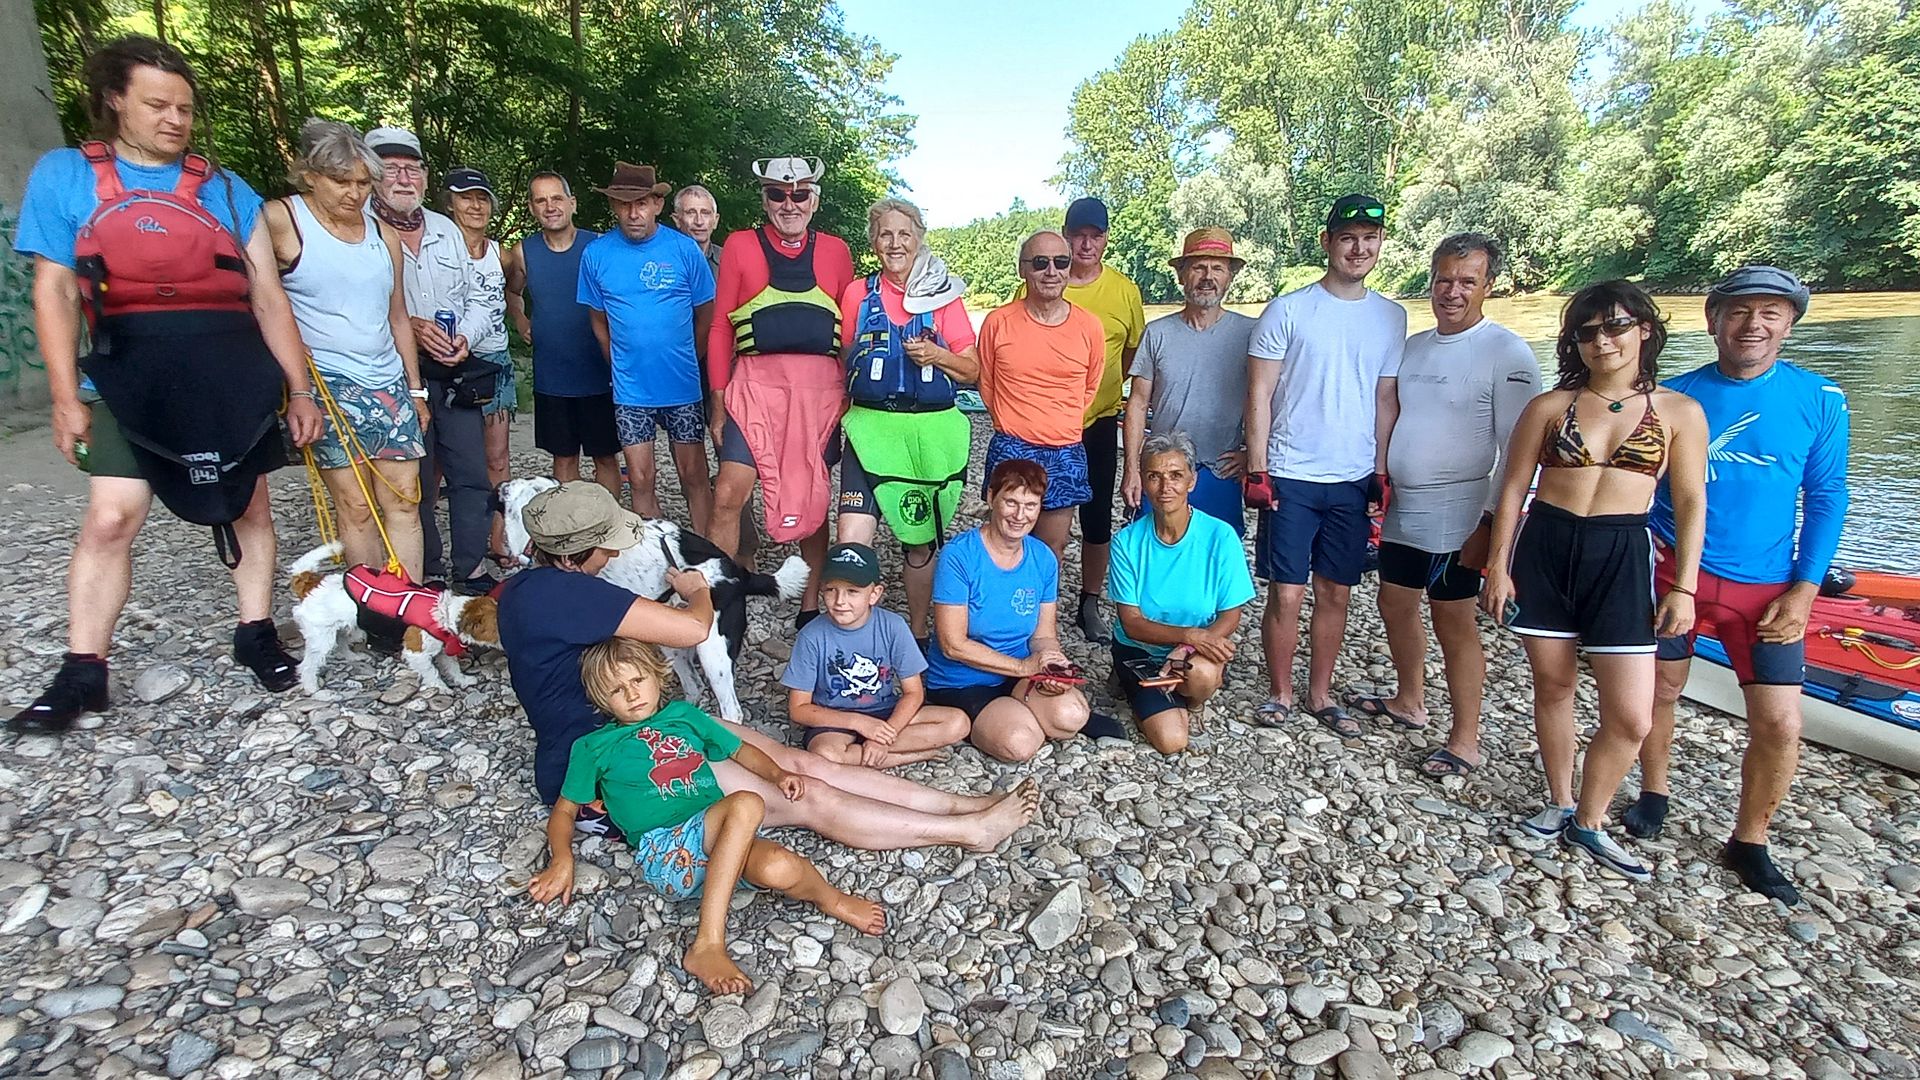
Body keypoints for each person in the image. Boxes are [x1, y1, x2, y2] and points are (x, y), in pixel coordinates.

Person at [9, 35, 323, 733]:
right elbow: (54, 294)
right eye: (157, 104)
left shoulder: (225, 187)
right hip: (132, 368)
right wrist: (65, 397)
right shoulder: (66, 177)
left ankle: (256, 631)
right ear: (114, 99)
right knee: (113, 515)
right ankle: (84, 668)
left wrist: (298, 389)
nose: (175, 119)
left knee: (248, 508)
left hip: (227, 364)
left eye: (184, 107)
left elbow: (268, 297)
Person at [497, 481, 1041, 848]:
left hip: (641, 725)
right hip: (606, 762)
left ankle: (962, 804)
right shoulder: (572, 595)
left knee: (806, 764)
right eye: (604, 548)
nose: (613, 556)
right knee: (807, 794)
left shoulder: (524, 591)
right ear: (571, 554)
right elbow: (691, 629)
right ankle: (967, 830)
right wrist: (697, 590)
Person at [1631, 266, 1848, 905]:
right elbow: (1638, 486)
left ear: (1789, 323)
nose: (1753, 324)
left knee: (1781, 722)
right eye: (1739, 311)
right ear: (1712, 320)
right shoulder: (1674, 397)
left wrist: (1806, 587)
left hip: (1767, 588)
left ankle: (1750, 839)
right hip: (1676, 574)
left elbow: (1828, 496)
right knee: (1660, 692)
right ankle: (1653, 791)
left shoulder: (1819, 400)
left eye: (1770, 313)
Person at [1481, 280, 1708, 883]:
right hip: (1549, 546)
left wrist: (1683, 587)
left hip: (1623, 552)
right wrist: (1498, 565)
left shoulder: (1679, 413)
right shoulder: (1551, 408)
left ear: (1645, 331)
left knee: (1632, 714)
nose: (1602, 341)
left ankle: (1593, 816)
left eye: (1615, 326)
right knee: (1553, 685)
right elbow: (1512, 488)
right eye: (1587, 332)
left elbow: (1689, 502)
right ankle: (1559, 801)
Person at [531, 638, 886, 994]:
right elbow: (564, 810)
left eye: (637, 680)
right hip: (668, 853)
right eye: (616, 690)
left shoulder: (684, 717)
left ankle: (832, 898)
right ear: (600, 700)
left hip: (722, 841)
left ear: (657, 675)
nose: (631, 694)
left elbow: (740, 750)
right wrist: (562, 859)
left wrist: (779, 775)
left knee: (780, 866)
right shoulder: (593, 747)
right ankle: (707, 945)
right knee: (746, 802)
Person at [1371, 234, 1539, 776]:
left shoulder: (1507, 352)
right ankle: (1409, 700)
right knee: (1394, 603)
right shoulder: (1414, 347)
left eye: (1467, 281)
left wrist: (1492, 525)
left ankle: (1465, 737)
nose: (1453, 291)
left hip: (1462, 510)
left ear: (1488, 286)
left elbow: (1520, 450)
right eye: (1444, 279)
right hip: (1405, 506)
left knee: (1453, 620)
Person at [1243, 194, 1406, 737]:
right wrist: (1258, 468)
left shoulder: (1391, 317)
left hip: (1353, 476)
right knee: (1286, 591)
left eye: (1369, 238)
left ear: (1379, 245)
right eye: (1348, 238)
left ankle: (1319, 693)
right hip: (1292, 471)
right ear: (1328, 243)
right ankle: (1280, 692)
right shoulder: (1287, 310)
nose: (1359, 248)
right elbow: (1259, 393)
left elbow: (1386, 399)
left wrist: (1382, 470)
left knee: (1336, 590)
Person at [263, 119, 427, 582]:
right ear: (309, 175)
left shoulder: (384, 235)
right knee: (355, 505)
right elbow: (265, 301)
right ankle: (370, 603)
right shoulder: (281, 221)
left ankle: (408, 602)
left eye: (362, 182)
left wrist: (416, 392)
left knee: (403, 500)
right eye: (341, 181)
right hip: (328, 383)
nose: (354, 193)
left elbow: (397, 315)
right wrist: (297, 390)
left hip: (388, 381)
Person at [706, 156, 857, 624]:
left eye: (799, 194)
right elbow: (718, 329)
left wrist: (852, 394)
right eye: (777, 193)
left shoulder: (836, 251)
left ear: (815, 199)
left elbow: (850, 331)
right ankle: (717, 599)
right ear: (764, 198)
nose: (788, 203)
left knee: (814, 493)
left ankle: (812, 602)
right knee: (729, 493)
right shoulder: (738, 245)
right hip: (754, 391)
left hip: (819, 396)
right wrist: (718, 403)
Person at [835, 197, 979, 644]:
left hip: (926, 436)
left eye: (904, 233)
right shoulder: (858, 294)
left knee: (920, 542)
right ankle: (850, 636)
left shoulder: (944, 299)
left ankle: (916, 637)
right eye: (885, 234)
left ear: (919, 238)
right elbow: (844, 361)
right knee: (850, 539)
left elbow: (972, 369)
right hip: (870, 430)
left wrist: (937, 355)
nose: (895, 243)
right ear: (873, 242)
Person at [366, 125, 495, 594]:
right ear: (372, 174)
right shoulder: (358, 228)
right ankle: (428, 568)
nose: (403, 179)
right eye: (392, 169)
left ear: (424, 175)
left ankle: (472, 566)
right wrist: (412, 327)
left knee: (471, 473)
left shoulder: (446, 229)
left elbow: (481, 298)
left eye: (412, 169)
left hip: (455, 372)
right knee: (411, 478)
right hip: (393, 376)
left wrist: (465, 337)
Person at [1015, 198, 1145, 644]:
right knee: (1024, 511)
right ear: (1067, 236)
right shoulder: (1044, 276)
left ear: (1106, 238)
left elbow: (1130, 354)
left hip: (1097, 421)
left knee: (1095, 516)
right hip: (1037, 426)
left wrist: (1100, 392)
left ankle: (1089, 602)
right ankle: (1020, 594)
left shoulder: (1124, 291)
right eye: (1078, 234)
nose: (1086, 243)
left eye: (1096, 235)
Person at [577, 162, 716, 528]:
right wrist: (619, 362)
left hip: (682, 384)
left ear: (656, 204)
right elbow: (597, 319)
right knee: (640, 478)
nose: (633, 212)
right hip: (631, 391)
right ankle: (653, 560)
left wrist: (692, 355)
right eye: (624, 204)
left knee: (694, 476)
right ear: (613, 207)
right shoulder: (597, 254)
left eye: (641, 203)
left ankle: (706, 560)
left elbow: (706, 314)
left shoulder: (684, 250)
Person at [923, 460, 1092, 762]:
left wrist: (1052, 664)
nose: (1019, 515)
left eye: (1030, 505)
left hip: (1020, 672)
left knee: (1072, 715)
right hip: (963, 681)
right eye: (1011, 502)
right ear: (990, 498)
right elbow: (952, 645)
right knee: (1019, 744)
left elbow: (1043, 636)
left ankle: (1024, 713)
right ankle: (1016, 718)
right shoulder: (959, 556)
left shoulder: (1043, 558)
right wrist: (1024, 669)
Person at [1107, 433, 1256, 754]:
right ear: (1144, 482)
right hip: (1140, 651)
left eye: (1176, 475)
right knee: (1171, 742)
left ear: (1192, 480)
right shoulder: (1127, 542)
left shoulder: (1220, 536)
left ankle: (1193, 701)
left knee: (1201, 674)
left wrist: (1189, 647)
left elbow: (1231, 612)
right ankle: (1136, 687)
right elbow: (1131, 623)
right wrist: (1191, 636)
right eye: (1155, 476)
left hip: (1194, 652)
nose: (1165, 487)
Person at [975, 231, 1105, 565]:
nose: (1051, 271)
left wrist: (1058, 422)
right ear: (1023, 269)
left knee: (1051, 550)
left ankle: (1040, 616)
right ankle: (996, 615)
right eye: (1040, 262)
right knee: (1003, 542)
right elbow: (986, 384)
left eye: (1061, 262)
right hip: (1012, 445)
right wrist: (1016, 420)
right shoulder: (997, 322)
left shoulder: (1090, 327)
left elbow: (1090, 387)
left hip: (1065, 449)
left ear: (1069, 267)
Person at [782, 543, 971, 766]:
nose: (840, 601)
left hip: (885, 712)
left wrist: (884, 736)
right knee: (825, 754)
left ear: (874, 594)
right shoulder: (811, 635)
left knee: (958, 723)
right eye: (831, 590)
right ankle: (909, 755)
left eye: (852, 592)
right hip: (834, 719)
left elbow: (913, 693)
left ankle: (867, 753)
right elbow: (798, 709)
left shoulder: (893, 626)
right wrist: (857, 722)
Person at [1123, 227, 1256, 534]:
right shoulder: (1157, 333)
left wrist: (1252, 453)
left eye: (1218, 268)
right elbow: (1137, 403)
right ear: (1181, 275)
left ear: (1230, 277)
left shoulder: (1252, 333)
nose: (1207, 276)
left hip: (1220, 470)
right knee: (1157, 549)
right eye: (1198, 267)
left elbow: (1269, 398)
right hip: (1161, 469)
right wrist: (1132, 468)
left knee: (1217, 554)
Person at [503, 171, 621, 496]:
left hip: (598, 370)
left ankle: (609, 528)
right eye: (541, 200)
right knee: (564, 458)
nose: (550, 206)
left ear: (572, 203)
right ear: (531, 208)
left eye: (556, 198)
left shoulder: (598, 245)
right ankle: (570, 535)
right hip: (553, 374)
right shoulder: (523, 252)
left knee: (605, 457)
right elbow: (512, 292)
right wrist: (521, 319)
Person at [444, 166, 517, 564]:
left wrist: (521, 319)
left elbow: (513, 293)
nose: (475, 205)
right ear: (450, 203)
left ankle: (498, 538)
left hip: (495, 361)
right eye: (465, 197)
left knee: (497, 457)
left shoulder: (501, 255)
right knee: (442, 459)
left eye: (482, 198)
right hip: (450, 361)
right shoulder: (437, 250)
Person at [673, 183, 723, 277]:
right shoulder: (664, 259)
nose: (699, 221)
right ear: (677, 220)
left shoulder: (729, 259)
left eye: (705, 213)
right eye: (691, 213)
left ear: (715, 220)